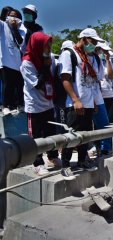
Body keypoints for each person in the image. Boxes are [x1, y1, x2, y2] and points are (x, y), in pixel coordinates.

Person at [58, 28, 104, 180]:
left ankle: (82, 161)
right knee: (71, 135)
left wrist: (95, 102)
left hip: (89, 103)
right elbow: (65, 78)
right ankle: (65, 166)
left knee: (85, 135)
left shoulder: (91, 58)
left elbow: (93, 82)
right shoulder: (69, 54)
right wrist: (75, 100)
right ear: (84, 39)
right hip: (75, 104)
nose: (95, 45)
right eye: (93, 42)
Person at [20, 32, 61, 175]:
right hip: (35, 105)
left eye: (49, 45)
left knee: (51, 133)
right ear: (38, 45)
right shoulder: (27, 63)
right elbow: (36, 84)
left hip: (48, 103)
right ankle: (37, 162)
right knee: (36, 136)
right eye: (46, 45)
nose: (49, 48)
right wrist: (44, 66)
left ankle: (53, 156)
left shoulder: (49, 60)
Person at [0, 9, 26, 115]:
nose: (12, 18)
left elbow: (20, 42)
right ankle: (5, 106)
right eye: (10, 15)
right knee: (7, 85)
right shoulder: (2, 25)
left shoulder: (21, 29)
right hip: (5, 61)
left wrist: (15, 28)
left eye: (15, 16)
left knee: (19, 86)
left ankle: (19, 105)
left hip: (17, 63)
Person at [96, 43, 113, 123]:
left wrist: (108, 60)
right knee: (100, 122)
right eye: (104, 51)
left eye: (106, 51)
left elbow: (111, 76)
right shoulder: (94, 61)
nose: (105, 53)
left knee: (111, 121)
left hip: (109, 95)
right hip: (98, 96)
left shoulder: (108, 62)